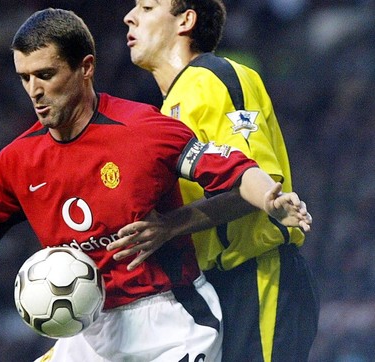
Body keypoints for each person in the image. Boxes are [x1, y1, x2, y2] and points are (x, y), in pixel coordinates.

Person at [0, 8, 311, 362]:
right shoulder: (18, 160)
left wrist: (271, 197)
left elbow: (230, 167)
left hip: (170, 319)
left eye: (46, 75)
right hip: (88, 330)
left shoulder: (147, 126)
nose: (34, 91)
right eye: (25, 78)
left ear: (85, 68)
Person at [110, 1, 320, 361]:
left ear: (185, 20)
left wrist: (169, 226)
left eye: (147, 7)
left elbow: (258, 184)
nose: (130, 16)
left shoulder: (216, 76)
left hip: (256, 278)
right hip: (215, 288)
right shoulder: (167, 108)